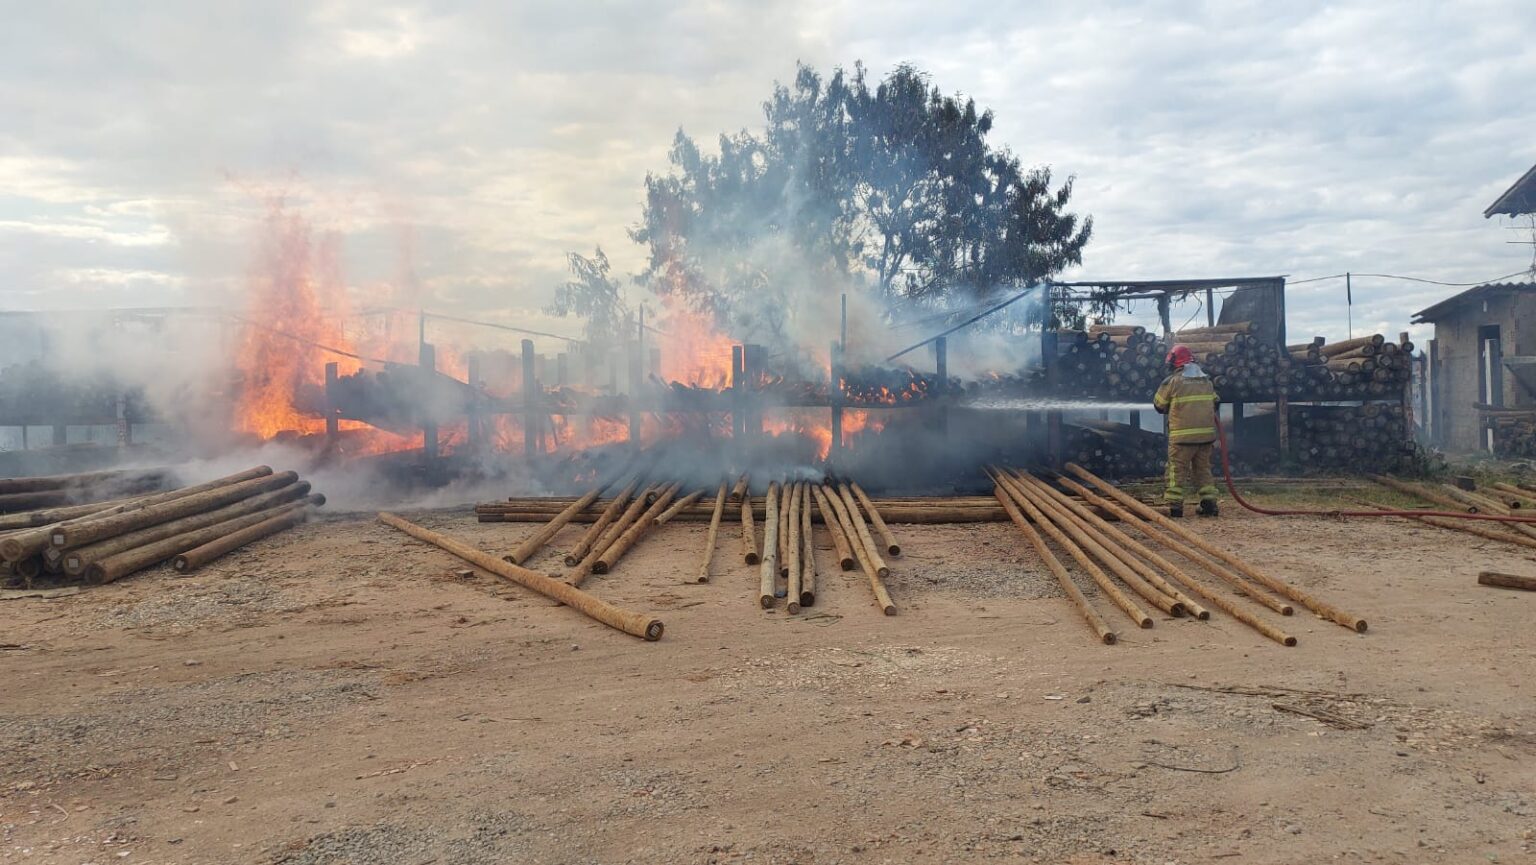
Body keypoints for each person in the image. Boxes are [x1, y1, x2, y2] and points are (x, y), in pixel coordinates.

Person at [1152, 344, 1220, 517]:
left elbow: (1159, 405)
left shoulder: (1172, 381)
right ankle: (1209, 504)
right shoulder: (1206, 380)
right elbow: (1215, 402)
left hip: (1182, 438)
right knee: (1203, 470)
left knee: (1176, 471)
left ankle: (1175, 507)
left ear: (1175, 363)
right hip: (1205, 437)